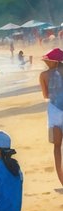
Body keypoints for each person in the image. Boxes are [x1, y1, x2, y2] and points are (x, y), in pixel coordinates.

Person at [41, 48, 63, 186]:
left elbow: (45, 95)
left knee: (57, 147)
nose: (44, 61)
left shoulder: (43, 75)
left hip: (54, 111)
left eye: (46, 59)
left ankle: (62, 180)